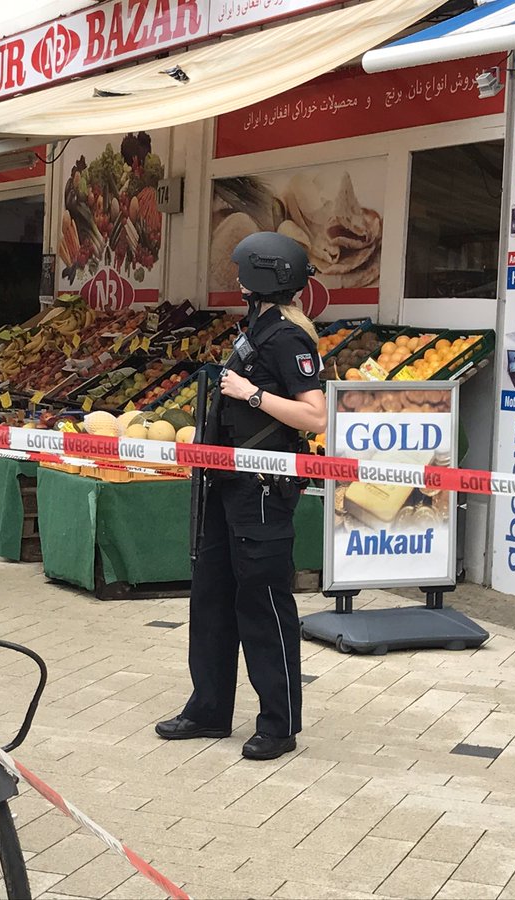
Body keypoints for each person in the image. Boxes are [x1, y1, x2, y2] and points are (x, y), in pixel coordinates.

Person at [156, 231, 328, 761]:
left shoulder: (288, 339)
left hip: (261, 490)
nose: (234, 278)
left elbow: (316, 415)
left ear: (262, 276)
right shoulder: (258, 328)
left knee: (263, 605)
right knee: (211, 599)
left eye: (241, 270)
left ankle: (278, 724)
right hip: (224, 483)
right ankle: (208, 709)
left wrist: (251, 393)